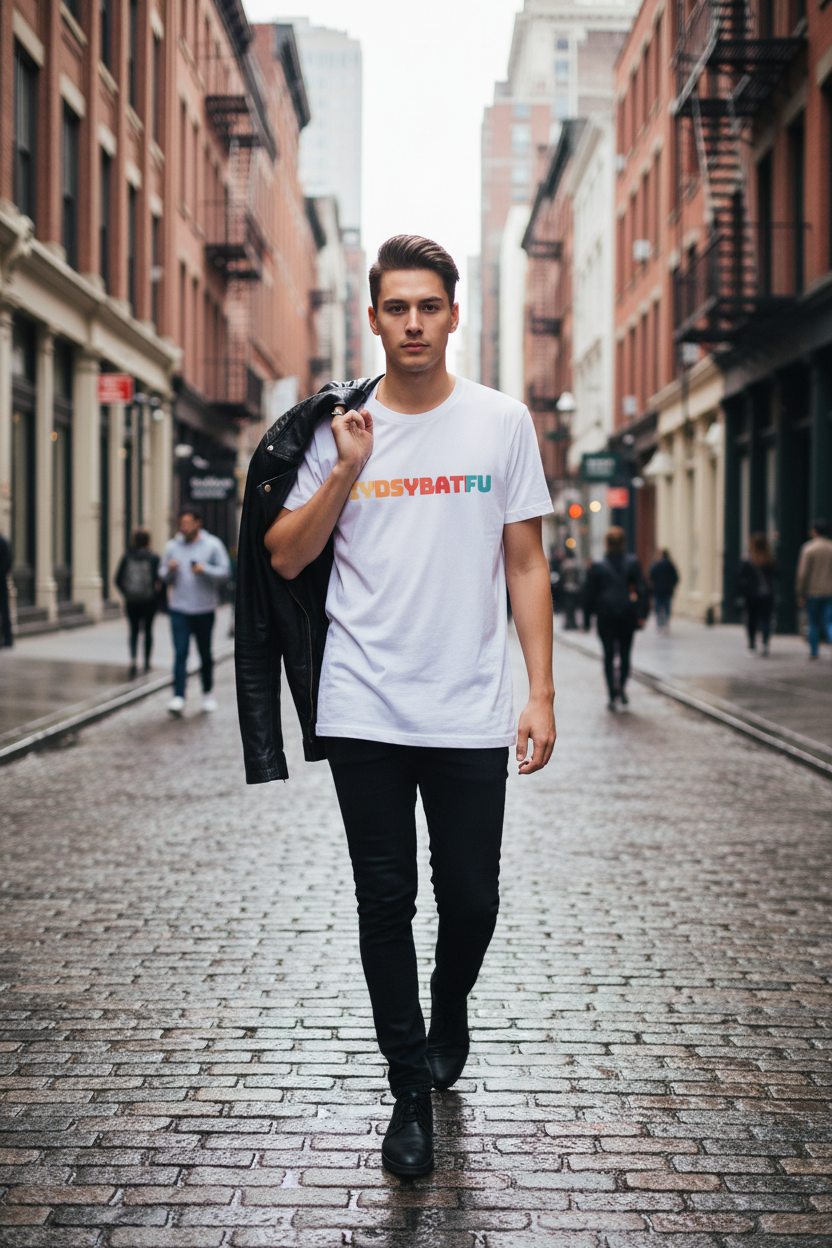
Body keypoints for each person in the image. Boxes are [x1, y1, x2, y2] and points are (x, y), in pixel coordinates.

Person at [238, 235, 556, 1179]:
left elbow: (525, 563)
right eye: (396, 308)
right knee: (385, 900)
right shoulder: (336, 430)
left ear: (454, 315)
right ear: (373, 318)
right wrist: (345, 468)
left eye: (429, 306)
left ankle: (449, 1001)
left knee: (472, 900)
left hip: (468, 706)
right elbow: (284, 555)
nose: (413, 323)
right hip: (364, 702)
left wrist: (540, 691)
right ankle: (408, 1089)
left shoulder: (501, 422)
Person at [158, 507, 230, 715]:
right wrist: (169, 569)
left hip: (204, 609)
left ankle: (207, 694)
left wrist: (205, 569)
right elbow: (162, 575)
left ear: (198, 523)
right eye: (181, 524)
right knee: (180, 653)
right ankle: (178, 697)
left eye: (188, 523)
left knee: (205, 653)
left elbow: (225, 572)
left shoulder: (213, 545)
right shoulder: (172, 546)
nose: (184, 528)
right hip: (179, 608)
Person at [583, 527, 648, 710]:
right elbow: (642, 589)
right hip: (627, 615)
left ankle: (612, 693)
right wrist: (641, 615)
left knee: (609, 655)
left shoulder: (598, 566)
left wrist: (587, 619)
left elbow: (589, 594)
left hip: (605, 616)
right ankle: (622, 687)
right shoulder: (632, 563)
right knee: (625, 654)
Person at [115, 529, 160, 677]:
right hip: (149, 601)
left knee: (133, 631)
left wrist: (126, 593)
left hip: (132, 601)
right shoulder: (153, 558)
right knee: (148, 631)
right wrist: (156, 596)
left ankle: (133, 659)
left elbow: (117, 579)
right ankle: (147, 662)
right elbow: (160, 579)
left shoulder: (127, 556)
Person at [796, 517, 832, 660]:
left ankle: (814, 653)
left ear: (814, 531)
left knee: (813, 622)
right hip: (830, 592)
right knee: (829, 621)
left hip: (813, 592)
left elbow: (803, 573)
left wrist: (800, 593)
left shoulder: (809, 548)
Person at [737, 532, 778, 656]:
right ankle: (765, 643)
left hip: (752, 595)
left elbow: (739, 576)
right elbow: (778, 575)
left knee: (751, 619)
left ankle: (752, 643)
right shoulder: (770, 559)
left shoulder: (747, 559)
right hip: (767, 594)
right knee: (766, 619)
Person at [649, 548, 679, 634]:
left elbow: (651, 575)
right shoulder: (670, 565)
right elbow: (676, 577)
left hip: (658, 590)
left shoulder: (656, 565)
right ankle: (665, 624)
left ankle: (660, 625)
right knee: (667, 608)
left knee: (658, 608)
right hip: (667, 590)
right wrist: (671, 585)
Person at [559, 549, 582, 629]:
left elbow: (562, 577)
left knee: (567, 606)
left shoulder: (564, 564)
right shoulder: (575, 563)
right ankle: (573, 622)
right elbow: (578, 576)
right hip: (574, 587)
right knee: (574, 607)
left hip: (566, 587)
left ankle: (568, 622)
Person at [0, 532, 12, 648]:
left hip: (1, 583)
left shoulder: (2, 542)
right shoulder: (3, 542)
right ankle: (7, 639)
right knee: (4, 611)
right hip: (2, 581)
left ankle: (7, 638)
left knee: (4, 611)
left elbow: (7, 562)